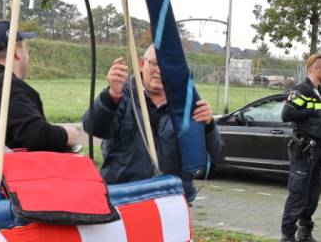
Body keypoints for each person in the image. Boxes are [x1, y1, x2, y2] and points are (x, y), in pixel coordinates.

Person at [83, 45, 222, 203]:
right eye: (155, 63)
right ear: (141, 64)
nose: (160, 70)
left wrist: (208, 126)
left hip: (172, 201)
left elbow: (213, 156)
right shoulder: (123, 95)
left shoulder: (188, 105)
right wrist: (111, 96)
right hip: (124, 198)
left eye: (166, 65)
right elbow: (94, 127)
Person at [0, 21, 89, 178]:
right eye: (25, 48)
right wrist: (67, 134)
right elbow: (36, 136)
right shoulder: (6, 85)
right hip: (9, 186)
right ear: (15, 52)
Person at [278, 53, 321, 242]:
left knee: (312, 195)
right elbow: (286, 115)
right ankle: (287, 237)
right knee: (298, 194)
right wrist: (309, 111)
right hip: (303, 151)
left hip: (318, 149)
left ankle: (305, 235)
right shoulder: (301, 91)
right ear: (316, 69)